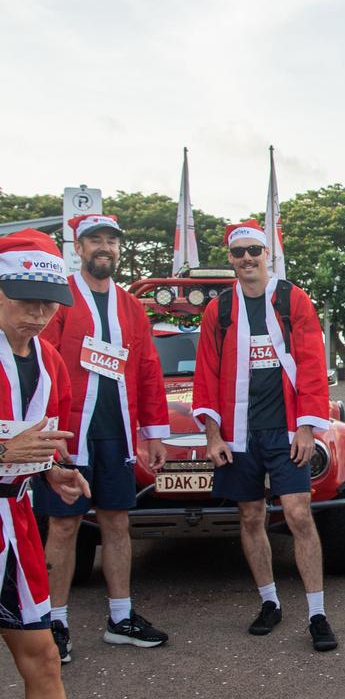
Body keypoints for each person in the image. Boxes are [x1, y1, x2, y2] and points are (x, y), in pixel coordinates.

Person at [191, 220, 337, 652]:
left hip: (285, 430)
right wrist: (213, 434)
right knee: (251, 516)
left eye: (254, 250)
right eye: (239, 253)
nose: (248, 259)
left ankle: (317, 613)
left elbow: (311, 367)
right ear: (231, 260)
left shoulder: (293, 300)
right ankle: (270, 602)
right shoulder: (219, 310)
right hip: (239, 435)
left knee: (297, 514)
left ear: (266, 254)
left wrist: (307, 427)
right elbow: (207, 375)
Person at [36, 214, 171, 663]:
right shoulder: (61, 299)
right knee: (64, 525)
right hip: (69, 432)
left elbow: (149, 368)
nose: (105, 248)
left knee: (117, 522)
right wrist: (44, 430)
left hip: (117, 433)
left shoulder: (131, 306)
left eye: (112, 241)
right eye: (96, 240)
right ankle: (55, 623)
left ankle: (120, 617)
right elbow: (41, 364)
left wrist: (153, 433)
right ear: (78, 247)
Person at [0, 229, 92, 698]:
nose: (38, 314)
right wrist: (4, 454)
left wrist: (51, 471)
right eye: (26, 301)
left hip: (14, 524)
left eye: (49, 304)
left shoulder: (50, 360)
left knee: (44, 658)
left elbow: (41, 441)